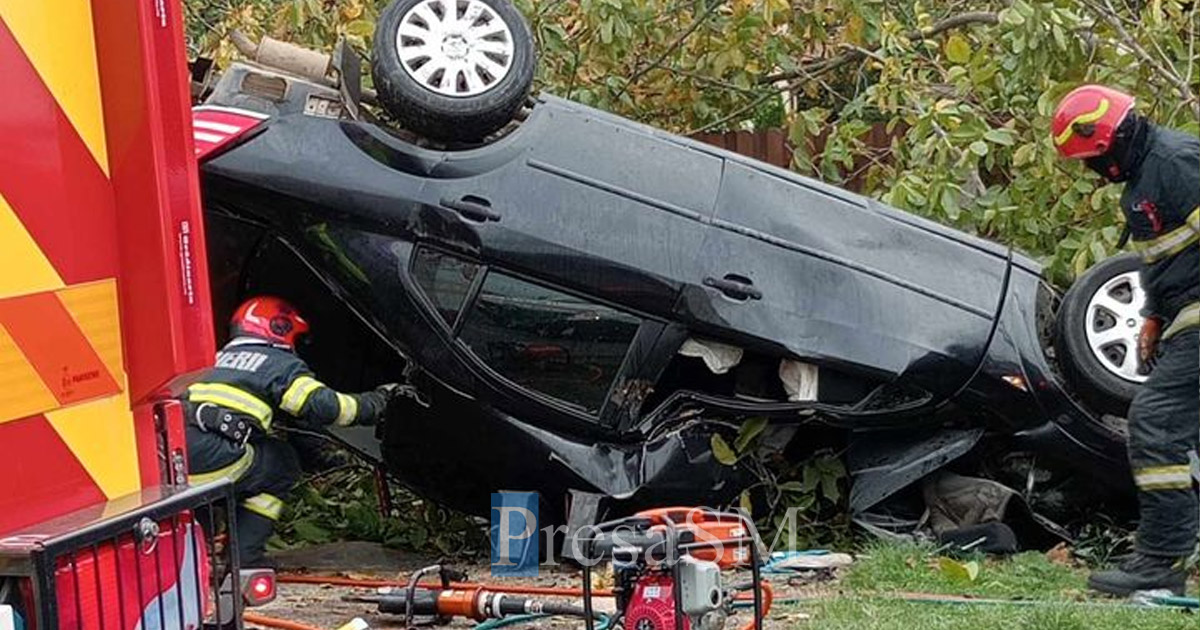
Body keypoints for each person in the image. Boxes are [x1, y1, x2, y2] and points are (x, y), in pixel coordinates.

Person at [1051, 84, 1198, 596]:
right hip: (1183, 316)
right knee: (1175, 429)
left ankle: (1162, 560)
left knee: (1156, 420)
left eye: (1095, 157)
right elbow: (1161, 264)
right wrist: (1154, 317)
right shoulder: (1139, 187)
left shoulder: (1175, 162)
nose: (1095, 169)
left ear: (1111, 137)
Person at [184, 295, 397, 568]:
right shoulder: (277, 363)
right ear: (279, 328)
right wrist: (380, 401)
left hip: (174, 463)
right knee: (280, 462)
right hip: (216, 457)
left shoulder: (211, 357)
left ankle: (196, 562)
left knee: (248, 458)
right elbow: (327, 407)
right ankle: (244, 560)